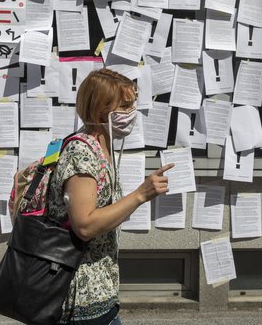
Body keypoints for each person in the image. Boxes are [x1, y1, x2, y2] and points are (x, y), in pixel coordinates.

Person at [47, 68, 174, 324]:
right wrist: (140, 194)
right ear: (99, 109)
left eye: (133, 104)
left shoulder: (103, 147)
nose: (132, 113)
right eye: (125, 106)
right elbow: (85, 225)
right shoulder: (82, 153)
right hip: (78, 299)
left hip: (101, 291)